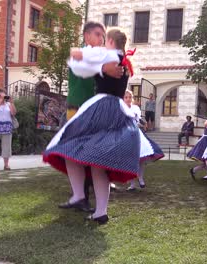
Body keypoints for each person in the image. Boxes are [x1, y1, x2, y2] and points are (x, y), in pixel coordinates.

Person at [43, 28, 138, 225]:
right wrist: (101, 69)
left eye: (105, 40)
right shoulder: (124, 61)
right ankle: (100, 211)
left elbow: (79, 65)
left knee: (68, 145)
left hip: (101, 107)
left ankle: (79, 194)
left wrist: (96, 65)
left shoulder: (107, 55)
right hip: (117, 109)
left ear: (110, 41)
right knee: (97, 163)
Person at [63, 21, 123, 212]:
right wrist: (103, 69)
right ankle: (81, 196)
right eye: (97, 34)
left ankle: (84, 197)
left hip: (93, 110)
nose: (101, 38)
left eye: (103, 35)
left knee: (88, 153)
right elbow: (79, 69)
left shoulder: (104, 55)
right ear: (86, 36)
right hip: (77, 108)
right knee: (72, 152)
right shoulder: (82, 54)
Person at [123, 90, 164, 191]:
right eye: (126, 97)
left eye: (129, 97)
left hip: (136, 134)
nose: (128, 99)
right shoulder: (121, 108)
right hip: (125, 134)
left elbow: (137, 119)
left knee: (141, 159)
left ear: (132, 98)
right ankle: (132, 183)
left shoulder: (135, 108)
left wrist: (143, 123)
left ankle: (140, 178)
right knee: (130, 160)